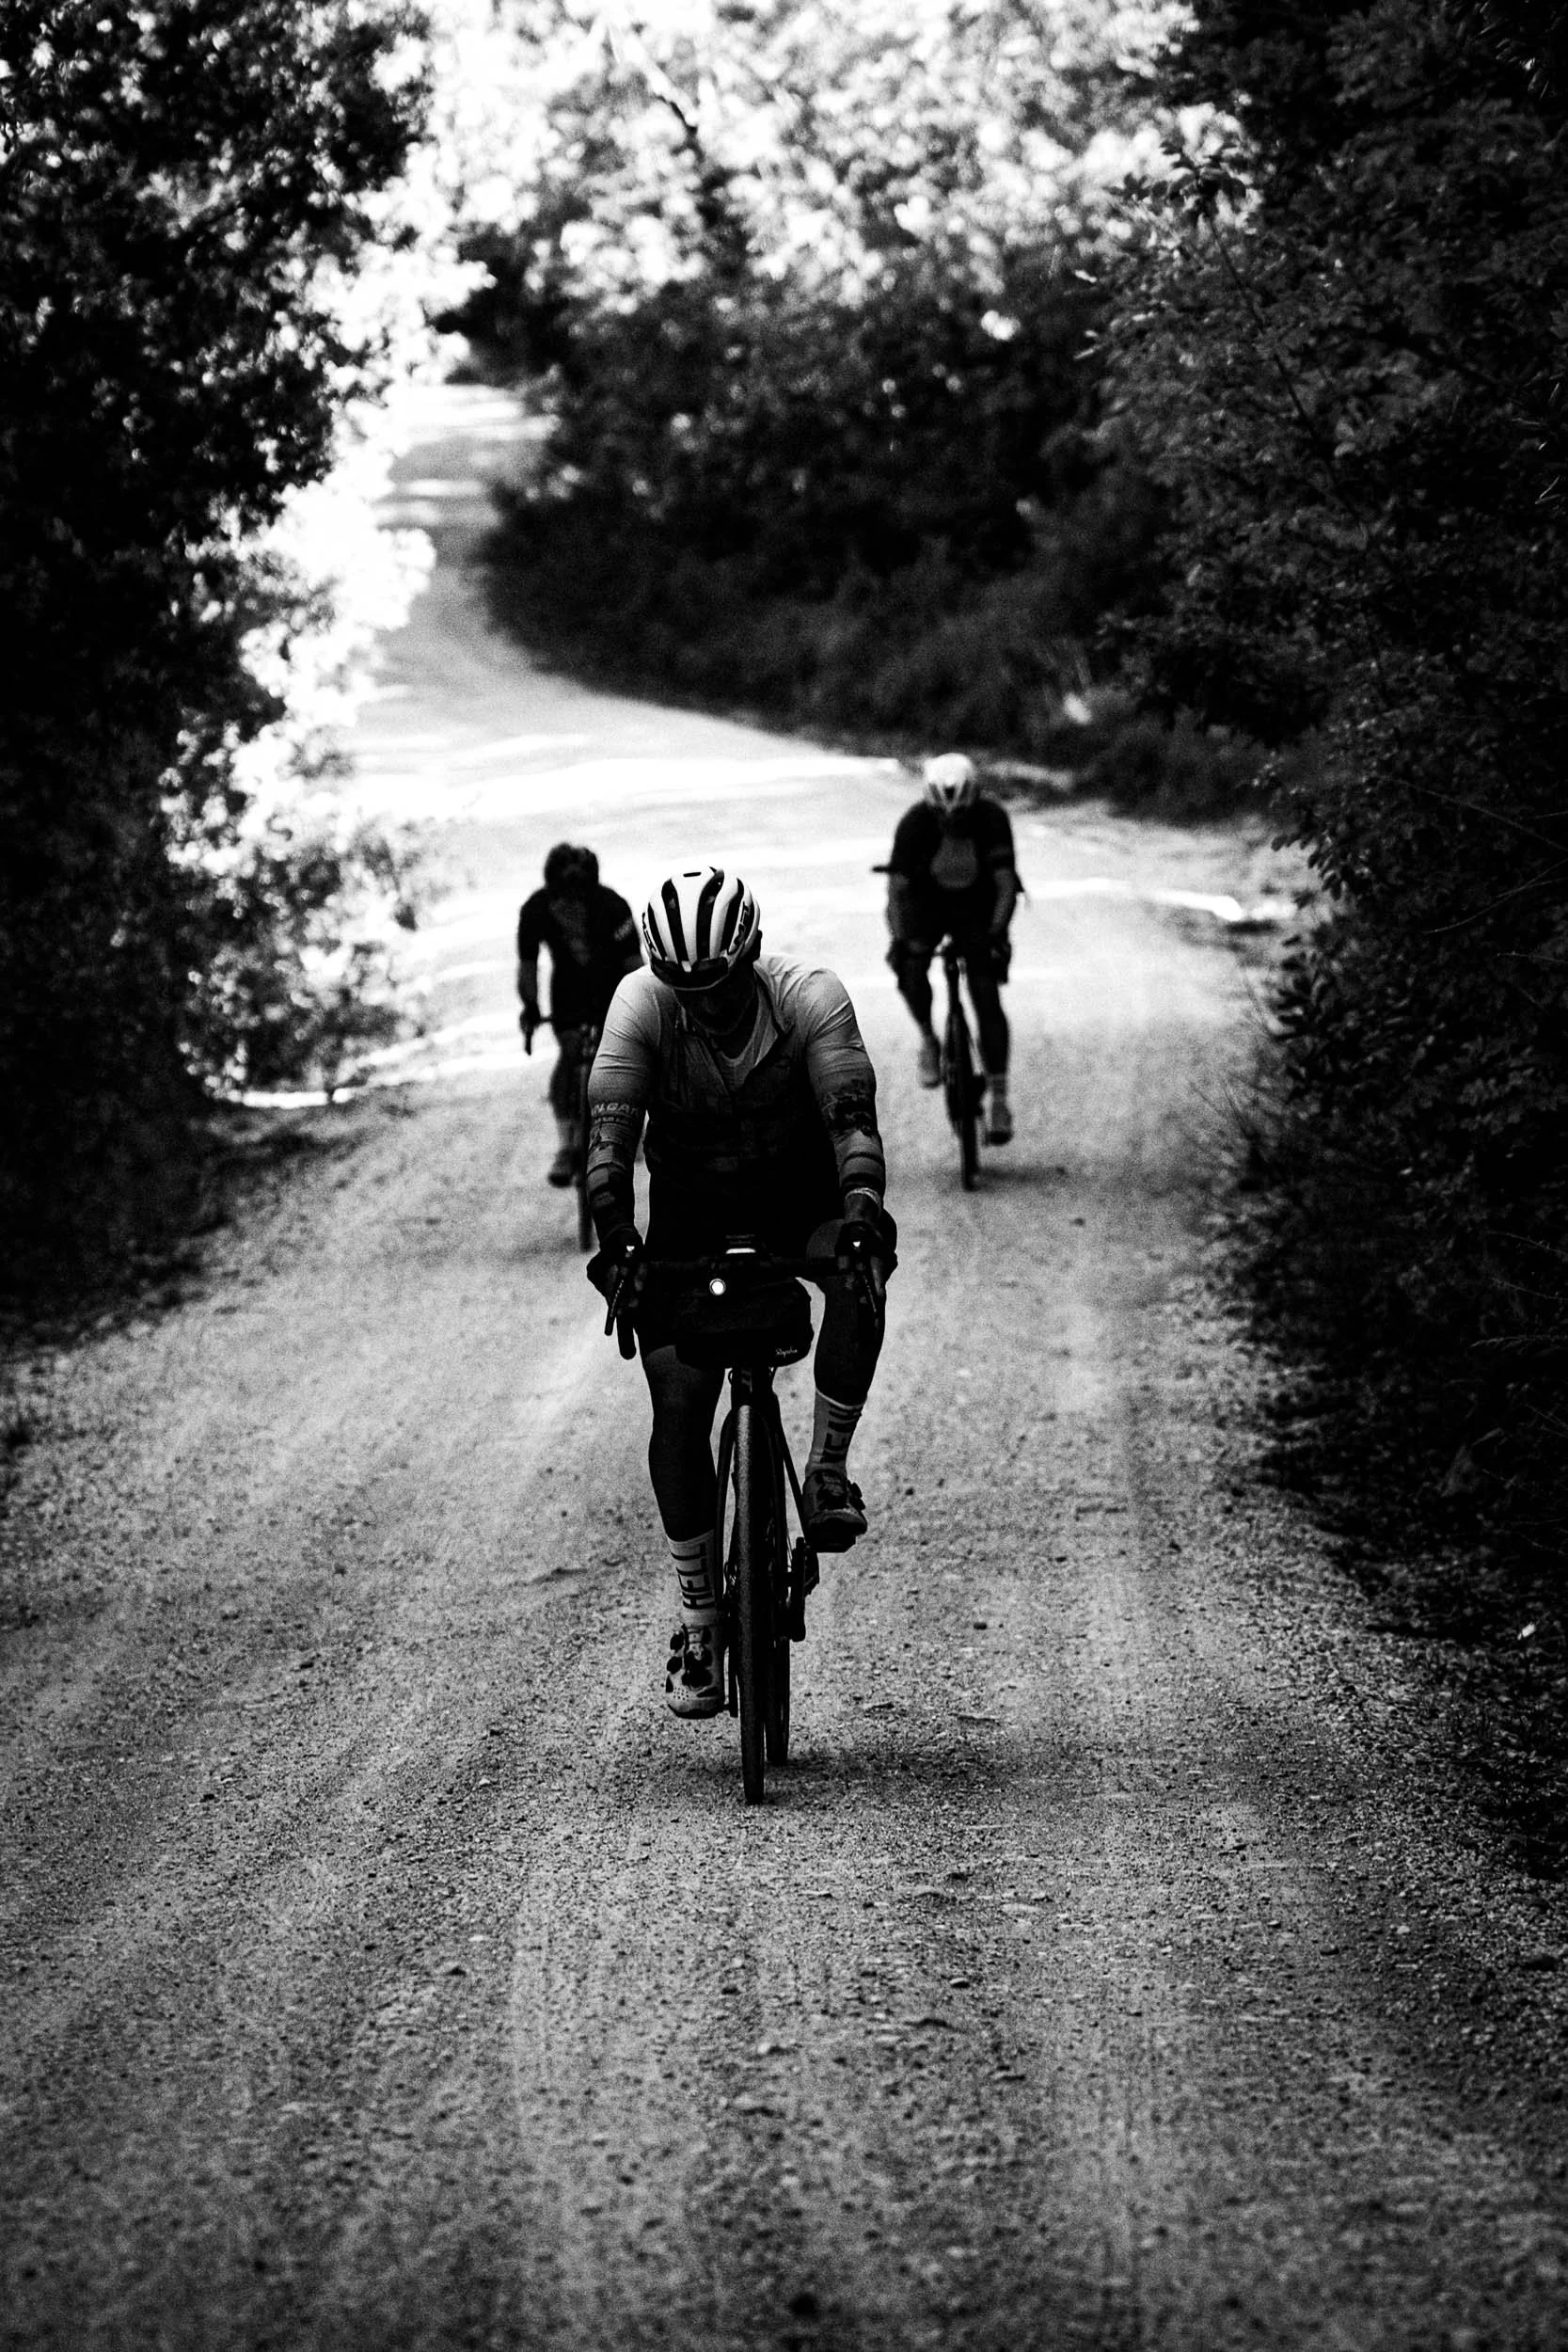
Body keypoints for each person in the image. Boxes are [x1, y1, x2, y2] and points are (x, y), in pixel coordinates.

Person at [584, 866, 896, 1718]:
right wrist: (617, 1241)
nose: (704, 1003)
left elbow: (851, 1124)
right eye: (685, 987)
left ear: (750, 958)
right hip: (690, 1218)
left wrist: (863, 1211)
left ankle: (828, 1472)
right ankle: (699, 1616)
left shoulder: (810, 999)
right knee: (678, 1402)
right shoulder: (640, 1006)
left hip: (800, 1204)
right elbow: (607, 1143)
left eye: (718, 985)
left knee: (863, 1267)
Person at [885, 752, 1019, 1144]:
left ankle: (998, 1097)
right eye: (944, 816)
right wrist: (900, 941)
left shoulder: (992, 818)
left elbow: (1006, 884)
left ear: (974, 799)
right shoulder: (914, 825)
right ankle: (929, 1038)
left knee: (985, 992)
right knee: (910, 968)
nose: (952, 821)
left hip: (976, 907)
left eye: (960, 814)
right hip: (927, 905)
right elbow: (896, 893)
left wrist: (996, 934)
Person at [516, 844, 642, 1185]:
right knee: (570, 1054)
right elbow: (528, 968)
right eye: (563, 898)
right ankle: (565, 1144)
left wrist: (640, 1010)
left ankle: (628, 1122)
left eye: (579, 897)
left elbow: (634, 969)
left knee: (618, 1058)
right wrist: (530, 1006)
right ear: (550, 893)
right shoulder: (535, 910)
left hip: (612, 990)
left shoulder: (614, 907)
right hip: (569, 995)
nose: (571, 905)